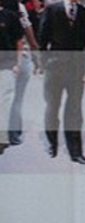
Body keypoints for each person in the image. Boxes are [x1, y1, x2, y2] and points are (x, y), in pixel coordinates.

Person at [38, 0, 85, 165]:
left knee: (74, 110)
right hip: (54, 68)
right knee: (52, 107)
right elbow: (42, 38)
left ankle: (76, 152)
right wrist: (43, 64)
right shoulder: (51, 10)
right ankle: (52, 144)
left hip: (76, 68)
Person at [8, 0, 40, 147]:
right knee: (17, 98)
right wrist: (37, 56)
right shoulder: (18, 7)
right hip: (21, 57)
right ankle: (14, 132)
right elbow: (28, 32)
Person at [0, 0, 24, 155]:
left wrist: (18, 63)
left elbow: (18, 41)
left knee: (4, 102)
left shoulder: (10, 16)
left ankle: (2, 138)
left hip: (6, 65)